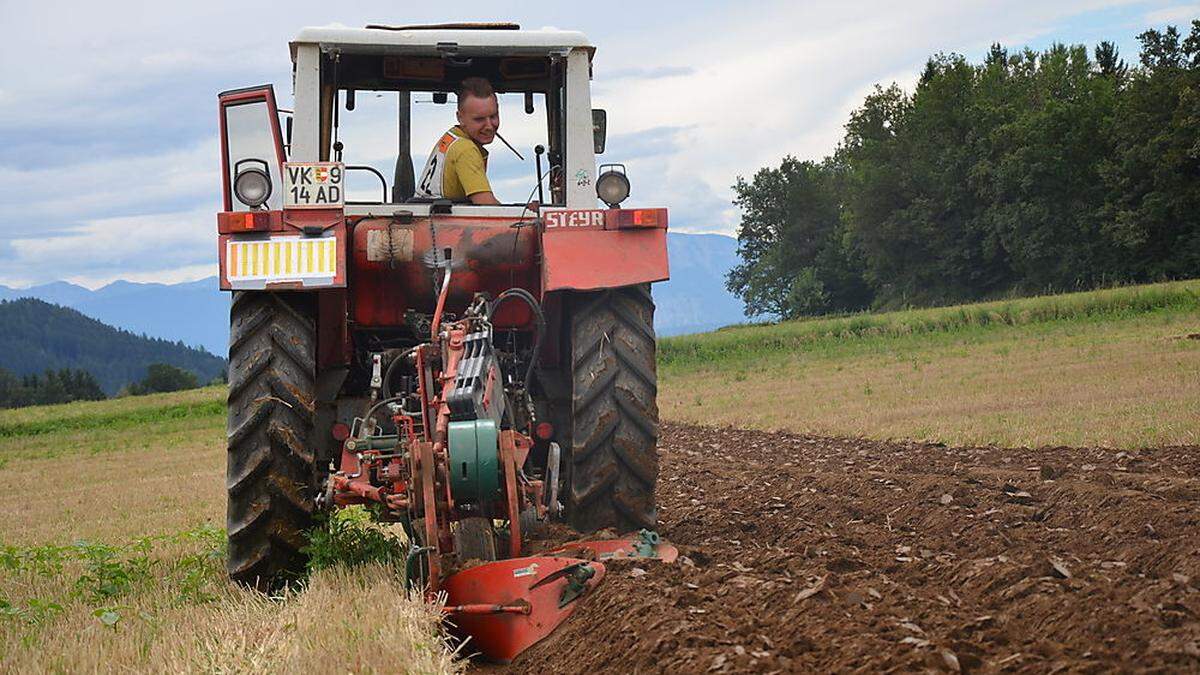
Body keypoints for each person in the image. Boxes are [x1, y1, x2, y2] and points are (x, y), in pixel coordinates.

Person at [415, 77, 503, 204]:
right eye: (479, 119)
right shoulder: (466, 150)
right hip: (446, 222)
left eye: (493, 116)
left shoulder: (451, 138)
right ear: (460, 118)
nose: (489, 126)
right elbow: (487, 207)